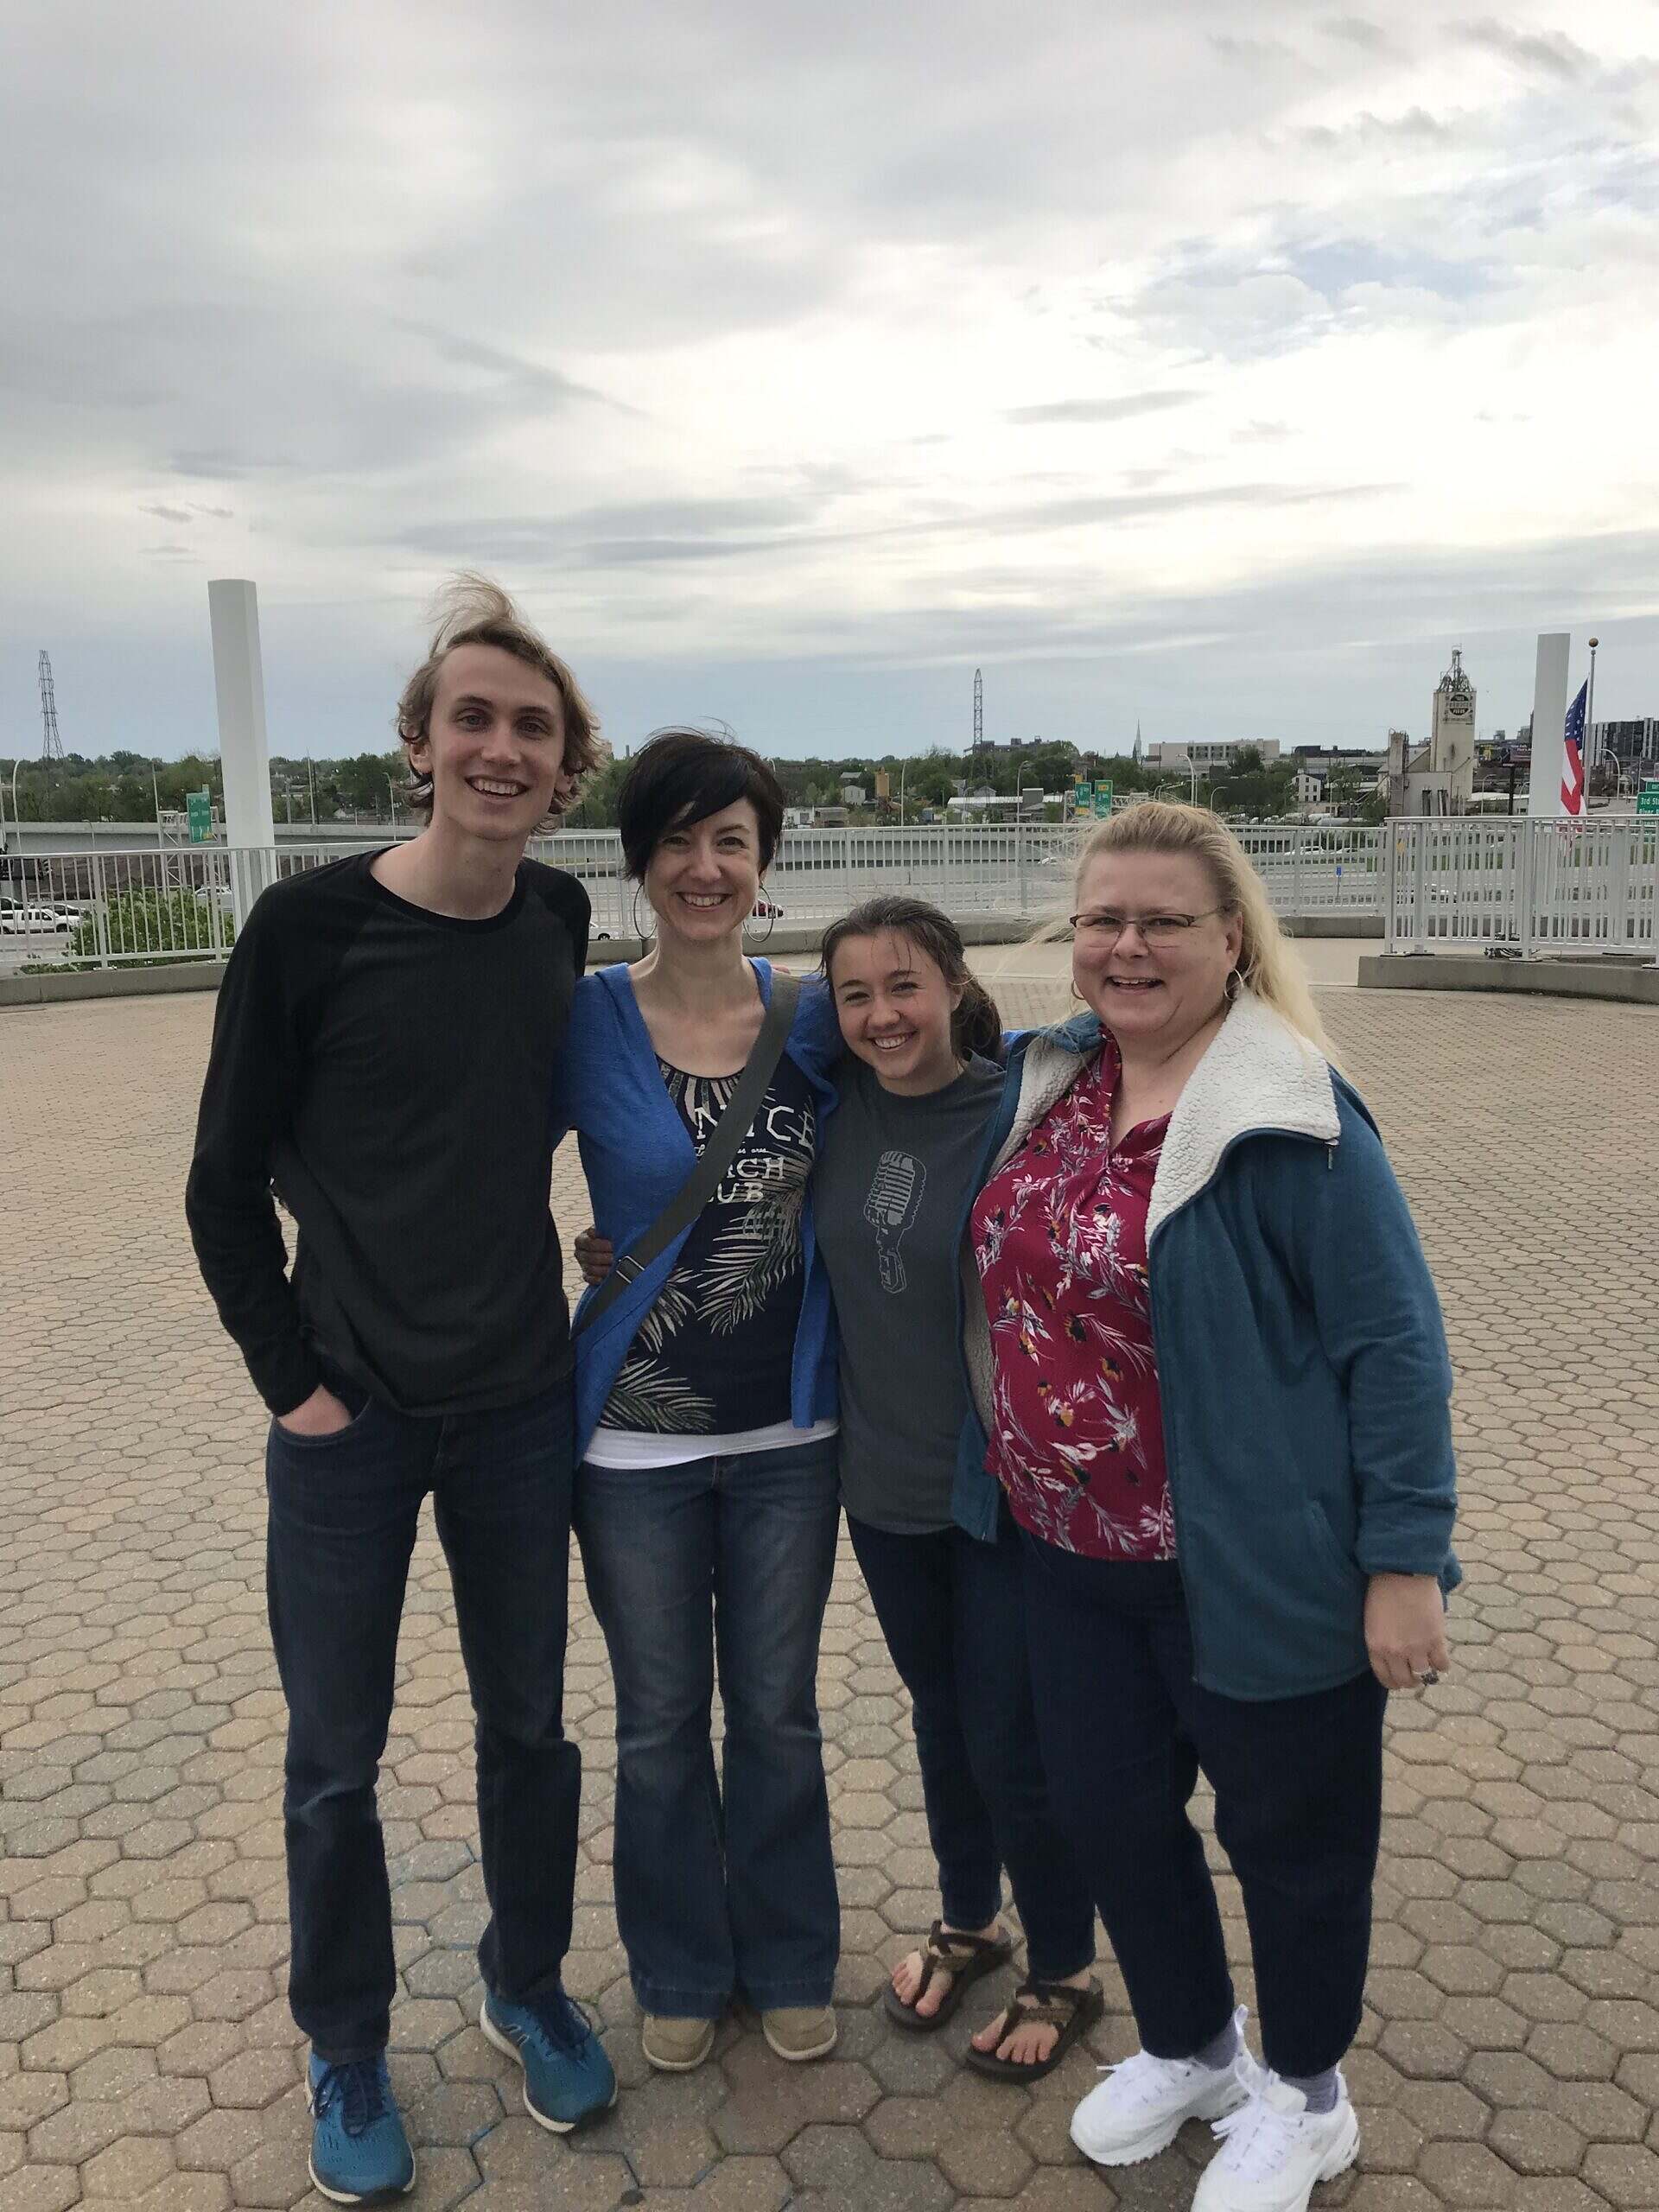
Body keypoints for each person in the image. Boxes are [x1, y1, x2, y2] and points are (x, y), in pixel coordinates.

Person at [186, 577, 616, 2205]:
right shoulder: (307, 928)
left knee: (529, 1728)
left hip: (517, 1404)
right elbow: (222, 1187)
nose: (501, 749)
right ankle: (348, 2038)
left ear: (565, 766)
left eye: (533, 727)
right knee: (335, 1757)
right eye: (474, 720)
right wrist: (294, 1388)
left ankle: (523, 1983)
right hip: (349, 1419)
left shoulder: (560, 921)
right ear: (423, 747)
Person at [963, 802, 1459, 2212]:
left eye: (1161, 920)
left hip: (1251, 1568)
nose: (1126, 946)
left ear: (1230, 940)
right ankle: (1190, 2044)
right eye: (1102, 920)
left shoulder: (1290, 1111)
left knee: (1294, 1849)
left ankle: (1307, 2098)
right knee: (1114, 1819)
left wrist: (1405, 1563)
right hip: (1068, 1559)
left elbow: (1394, 1348)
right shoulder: (1050, 1083)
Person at [553, 730, 843, 2075]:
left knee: (777, 1715)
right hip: (633, 1444)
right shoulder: (588, 1016)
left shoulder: (822, 1015)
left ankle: (787, 1957)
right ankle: (679, 1965)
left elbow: (947, 1081)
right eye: (678, 839)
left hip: (789, 1433)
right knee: (661, 1723)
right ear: (639, 862)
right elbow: (475, 1151)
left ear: (764, 865)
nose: (704, 866)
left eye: (731, 840)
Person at [813, 896, 1102, 2079]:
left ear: (952, 985)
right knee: (942, 1717)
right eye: (856, 995)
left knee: (1011, 1732)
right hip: (879, 1484)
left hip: (996, 1491)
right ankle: (970, 1918)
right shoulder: (830, 1116)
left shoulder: (1021, 1111)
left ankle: (1067, 1965)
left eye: (905, 986)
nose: (883, 1015)